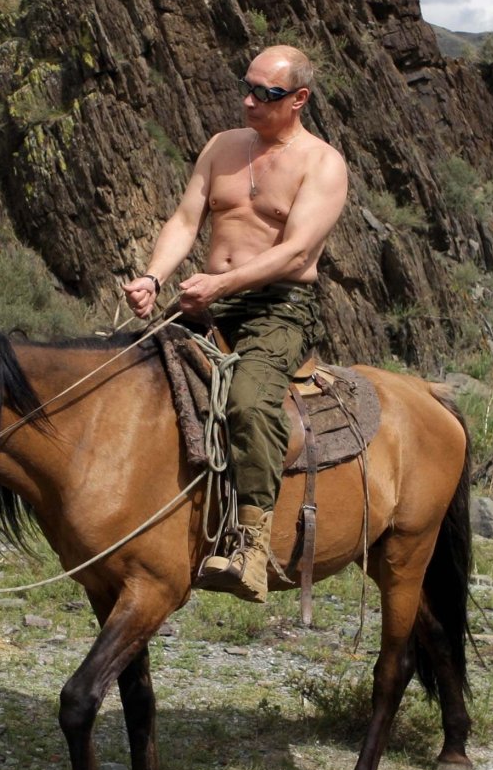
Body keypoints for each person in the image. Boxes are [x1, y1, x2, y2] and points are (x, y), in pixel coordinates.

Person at [122, 45, 350, 603]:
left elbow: (297, 253)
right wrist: (154, 276)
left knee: (250, 400)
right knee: (124, 367)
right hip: (208, 298)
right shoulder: (223, 146)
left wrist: (220, 284)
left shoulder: (323, 164)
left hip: (279, 305)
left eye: (265, 94)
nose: (249, 101)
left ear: (299, 99)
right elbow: (184, 219)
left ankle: (251, 544)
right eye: (245, 88)